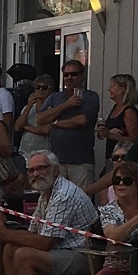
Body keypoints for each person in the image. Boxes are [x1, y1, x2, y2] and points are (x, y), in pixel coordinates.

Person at [36, 60, 100, 189]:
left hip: (81, 161)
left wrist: (55, 122)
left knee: (81, 201)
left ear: (82, 76)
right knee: (58, 200)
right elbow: (41, 119)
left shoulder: (90, 96)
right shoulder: (55, 97)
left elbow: (82, 120)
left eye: (74, 74)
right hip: (57, 160)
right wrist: (66, 105)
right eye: (66, 75)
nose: (69, 78)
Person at [97, 74, 138, 156]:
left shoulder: (129, 111)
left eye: (112, 86)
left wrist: (110, 135)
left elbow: (134, 139)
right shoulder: (116, 107)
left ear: (122, 89)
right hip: (111, 154)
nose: (109, 89)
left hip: (123, 157)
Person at [15, 76, 54, 165]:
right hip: (25, 151)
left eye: (44, 88)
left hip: (44, 152)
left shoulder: (52, 108)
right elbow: (17, 127)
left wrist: (26, 127)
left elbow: (46, 130)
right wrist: (28, 106)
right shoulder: (28, 107)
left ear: (50, 90)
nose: (40, 90)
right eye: (37, 87)